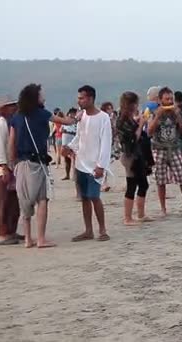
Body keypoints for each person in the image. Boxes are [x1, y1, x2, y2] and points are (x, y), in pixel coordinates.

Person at [9, 84, 76, 248]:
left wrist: (12, 164)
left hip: (20, 163)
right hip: (37, 163)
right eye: (41, 95)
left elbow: (11, 142)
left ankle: (27, 239)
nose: (44, 97)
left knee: (24, 201)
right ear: (35, 97)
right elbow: (65, 121)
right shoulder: (42, 114)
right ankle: (40, 239)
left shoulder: (16, 117)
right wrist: (77, 116)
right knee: (42, 199)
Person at [63, 85, 113, 242]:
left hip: (95, 164)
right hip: (80, 163)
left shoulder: (104, 117)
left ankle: (103, 230)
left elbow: (106, 143)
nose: (79, 101)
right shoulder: (81, 116)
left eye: (81, 98)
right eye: (78, 98)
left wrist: (101, 166)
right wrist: (69, 147)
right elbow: (79, 137)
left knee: (94, 196)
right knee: (84, 197)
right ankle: (88, 230)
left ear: (90, 98)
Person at [148, 87, 182, 217]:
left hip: (174, 148)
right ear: (160, 100)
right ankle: (163, 208)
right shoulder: (154, 112)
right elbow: (149, 132)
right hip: (159, 149)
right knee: (161, 181)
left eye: (171, 99)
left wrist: (178, 116)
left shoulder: (177, 112)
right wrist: (158, 116)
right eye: (167, 99)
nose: (170, 101)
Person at [117, 91, 153, 225]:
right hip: (130, 155)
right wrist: (141, 124)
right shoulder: (122, 120)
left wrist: (138, 121)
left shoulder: (128, 118)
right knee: (132, 185)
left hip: (136, 154)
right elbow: (132, 138)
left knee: (143, 184)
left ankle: (141, 214)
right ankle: (128, 217)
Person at [0, 95, 21, 245]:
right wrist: (3, 166)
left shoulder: (9, 123)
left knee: (13, 201)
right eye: (11, 105)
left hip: (10, 167)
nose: (14, 108)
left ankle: (11, 230)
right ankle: (2, 232)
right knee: (3, 201)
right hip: (3, 168)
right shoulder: (0, 124)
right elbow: (0, 147)